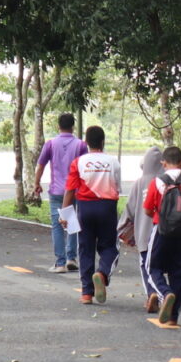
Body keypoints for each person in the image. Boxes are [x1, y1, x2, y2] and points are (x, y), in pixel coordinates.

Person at [142, 146, 181, 327]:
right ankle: (173, 317)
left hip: (161, 232)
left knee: (152, 267)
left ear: (163, 163)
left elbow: (147, 209)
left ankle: (164, 292)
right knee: (180, 273)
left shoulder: (157, 181)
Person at [61, 125, 122, 306]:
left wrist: (65, 215)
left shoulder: (78, 162)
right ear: (103, 142)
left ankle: (86, 293)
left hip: (85, 209)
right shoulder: (113, 162)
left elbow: (70, 190)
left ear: (86, 142)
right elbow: (117, 188)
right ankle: (102, 273)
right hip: (107, 207)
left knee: (85, 249)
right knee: (110, 247)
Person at [33, 114, 86, 273]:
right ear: (73, 126)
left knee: (57, 226)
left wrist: (37, 183)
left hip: (56, 191)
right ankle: (71, 258)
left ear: (59, 126)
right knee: (72, 222)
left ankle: (60, 262)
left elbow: (41, 165)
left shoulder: (50, 144)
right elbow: (84, 168)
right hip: (75, 191)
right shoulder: (81, 145)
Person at [121, 147, 165, 312]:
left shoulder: (139, 183)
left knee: (145, 264)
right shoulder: (165, 180)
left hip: (144, 232)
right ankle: (167, 293)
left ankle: (151, 294)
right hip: (166, 232)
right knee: (160, 265)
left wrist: (124, 231)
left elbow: (130, 210)